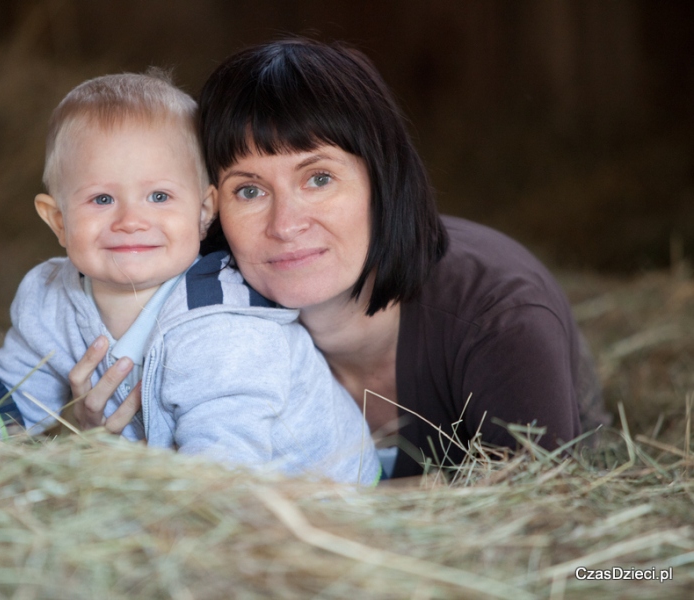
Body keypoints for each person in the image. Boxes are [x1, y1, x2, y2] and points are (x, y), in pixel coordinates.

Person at [0, 71, 381, 485]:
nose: (130, 220)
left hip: (322, 497)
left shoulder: (225, 325)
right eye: (102, 200)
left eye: (160, 197)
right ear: (57, 220)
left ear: (205, 211)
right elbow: (16, 386)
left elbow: (226, 461)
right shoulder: (50, 297)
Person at [191, 38, 611, 479]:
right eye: (249, 190)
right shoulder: (197, 325)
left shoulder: (499, 319)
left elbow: (541, 512)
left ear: (383, 180)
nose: (285, 224)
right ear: (211, 209)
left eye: (319, 178)